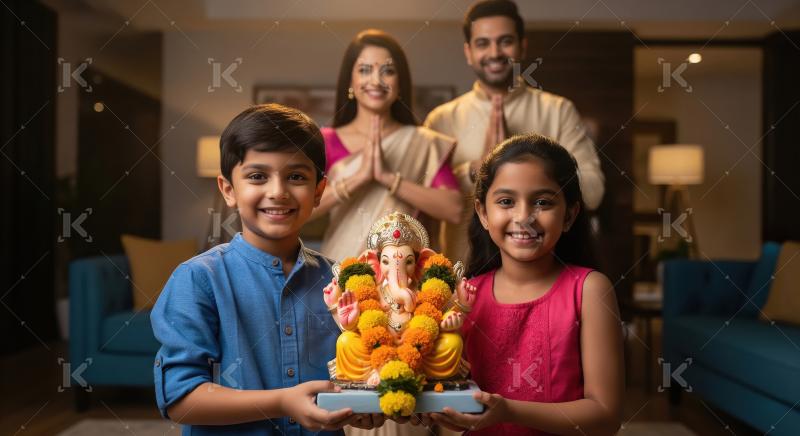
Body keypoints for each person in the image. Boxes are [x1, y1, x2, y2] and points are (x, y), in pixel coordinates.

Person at [150, 104, 384, 435]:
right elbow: (181, 399)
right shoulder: (199, 279)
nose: (278, 192)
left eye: (296, 177)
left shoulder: (342, 281)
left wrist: (363, 406)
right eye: (258, 176)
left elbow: (356, 374)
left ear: (319, 191)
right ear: (228, 190)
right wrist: (281, 403)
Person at [420, 134, 623, 435]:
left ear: (569, 214)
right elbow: (448, 388)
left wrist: (510, 411)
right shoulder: (465, 296)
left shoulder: (589, 290)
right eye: (506, 202)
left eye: (542, 202)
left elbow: (606, 416)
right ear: (483, 213)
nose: (524, 217)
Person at [424, 0, 605, 261]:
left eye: (505, 41)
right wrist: (476, 170)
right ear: (468, 52)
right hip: (463, 272)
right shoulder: (441, 120)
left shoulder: (557, 110)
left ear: (522, 46)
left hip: (544, 271)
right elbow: (426, 202)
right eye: (483, 43)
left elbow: (593, 191)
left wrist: (525, 171)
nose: (495, 52)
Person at [310, 29, 463, 260]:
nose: (376, 80)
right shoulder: (326, 141)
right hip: (340, 270)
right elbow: (301, 209)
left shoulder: (424, 142)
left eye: (388, 71)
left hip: (406, 273)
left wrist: (389, 179)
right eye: (364, 70)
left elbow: (454, 210)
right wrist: (357, 179)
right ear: (350, 81)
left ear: (400, 83)